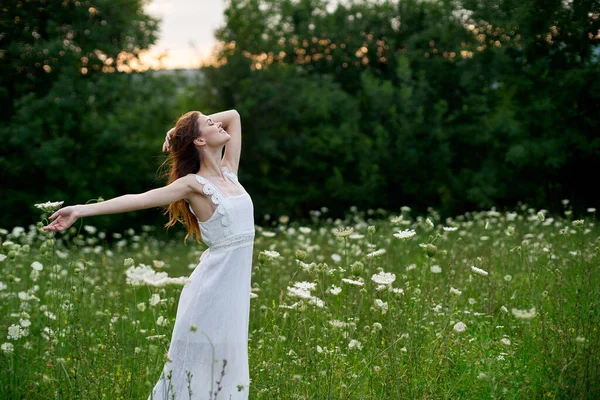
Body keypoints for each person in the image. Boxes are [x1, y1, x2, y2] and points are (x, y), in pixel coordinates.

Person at [43, 110, 255, 399]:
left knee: (228, 367)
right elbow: (139, 200)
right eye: (209, 123)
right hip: (211, 292)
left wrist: (175, 131)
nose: (218, 123)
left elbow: (234, 116)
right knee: (196, 369)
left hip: (234, 293)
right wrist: (81, 210)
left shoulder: (230, 171)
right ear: (200, 140)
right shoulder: (193, 185)